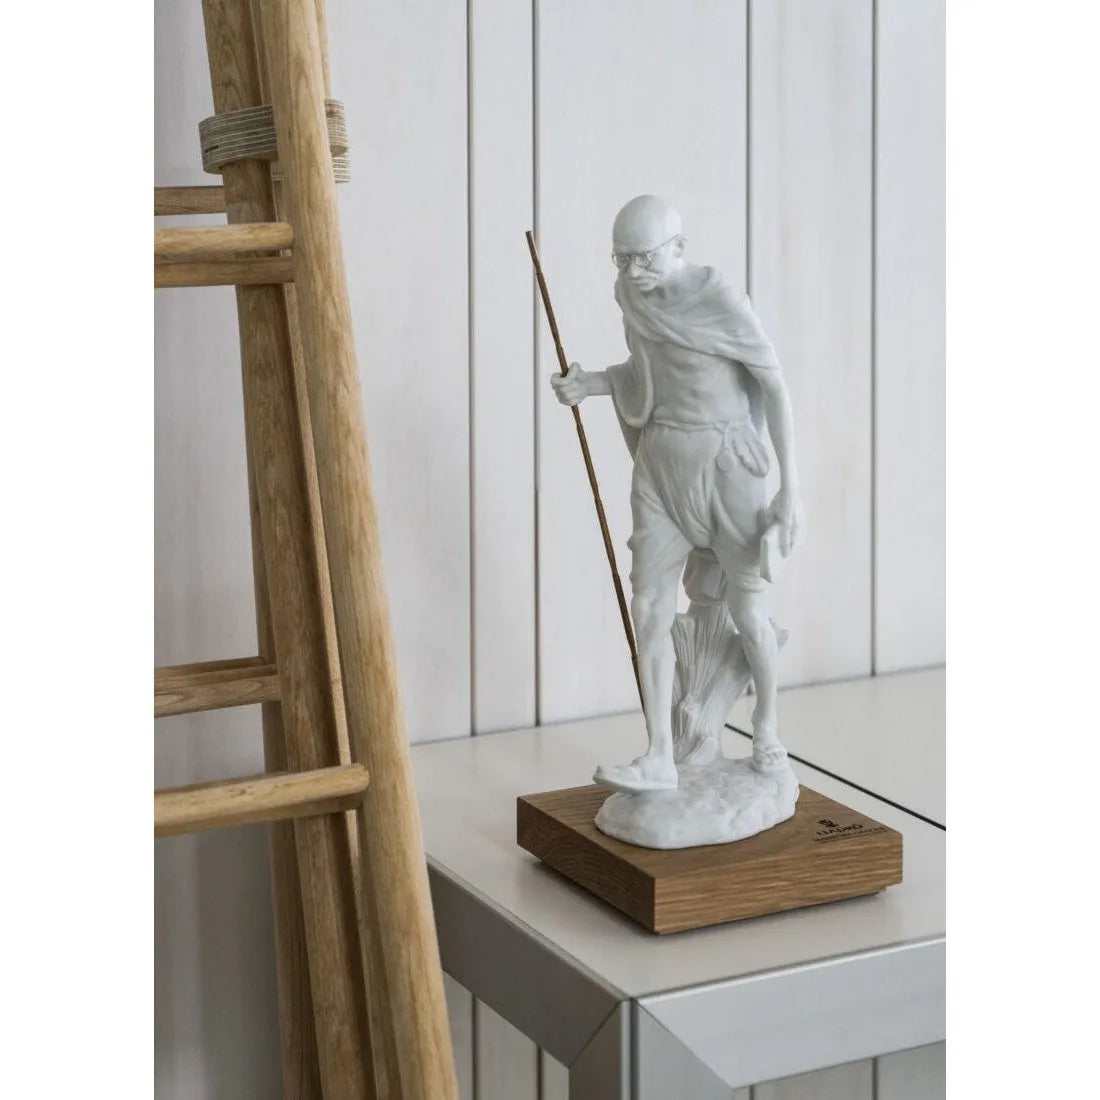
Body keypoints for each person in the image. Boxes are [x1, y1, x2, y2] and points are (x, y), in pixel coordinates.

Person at [551, 195, 803, 793]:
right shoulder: (631, 296)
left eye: (644, 258)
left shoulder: (720, 300)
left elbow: (773, 386)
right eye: (621, 259)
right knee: (649, 609)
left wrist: (791, 490)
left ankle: (766, 727)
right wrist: (592, 384)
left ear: (678, 248)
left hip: (726, 465)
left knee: (748, 611)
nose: (633, 271)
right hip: (661, 465)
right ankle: (660, 754)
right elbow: (648, 376)